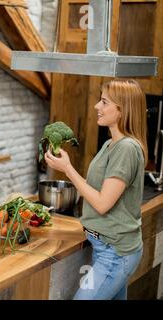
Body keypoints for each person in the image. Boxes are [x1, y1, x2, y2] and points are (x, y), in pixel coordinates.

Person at [45, 79, 147, 300]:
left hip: (115, 253)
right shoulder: (110, 144)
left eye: (104, 102)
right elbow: (95, 190)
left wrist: (68, 169)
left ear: (122, 110)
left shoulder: (126, 149)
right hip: (105, 248)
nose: (96, 107)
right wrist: (65, 167)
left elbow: (102, 204)